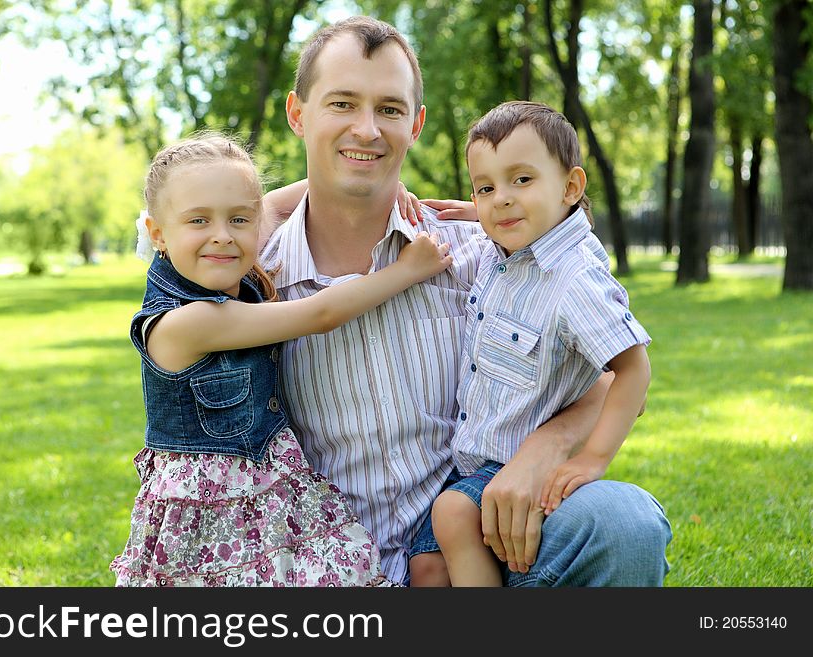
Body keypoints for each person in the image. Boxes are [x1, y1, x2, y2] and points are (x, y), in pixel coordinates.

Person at [261, 15, 671, 586]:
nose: (367, 129)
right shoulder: (254, 272)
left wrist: (543, 449)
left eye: (389, 109)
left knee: (623, 522)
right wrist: (268, 207)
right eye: (342, 104)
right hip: (325, 566)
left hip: (478, 546)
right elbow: (170, 236)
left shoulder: (484, 253)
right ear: (297, 114)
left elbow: (611, 376)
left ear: (417, 124)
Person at [109, 132, 453, 587]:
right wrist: (406, 270)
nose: (222, 236)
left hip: (270, 492)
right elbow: (321, 313)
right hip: (210, 516)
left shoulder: (228, 254)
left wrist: (384, 187)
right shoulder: (185, 323)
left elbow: (300, 191)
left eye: (239, 219)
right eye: (198, 220)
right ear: (158, 233)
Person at [429, 100, 652, 586]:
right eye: (486, 187)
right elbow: (510, 211)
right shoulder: (511, 248)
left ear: (571, 187)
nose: (502, 199)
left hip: (512, 465)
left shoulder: (573, 279)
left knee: (451, 514)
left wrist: (594, 457)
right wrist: (483, 210)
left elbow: (633, 369)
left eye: (522, 180)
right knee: (426, 566)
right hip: (468, 462)